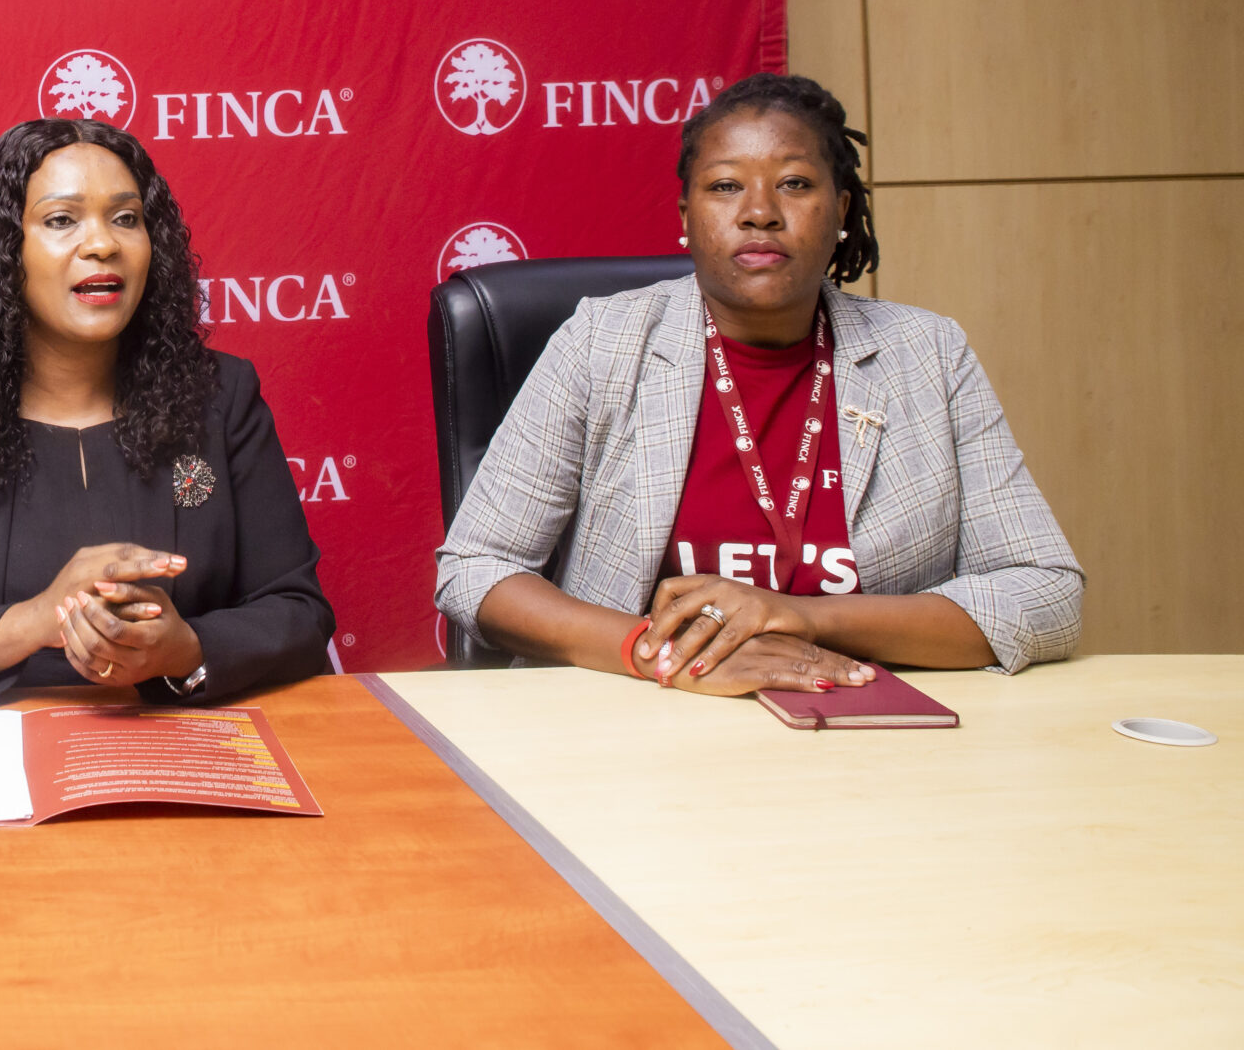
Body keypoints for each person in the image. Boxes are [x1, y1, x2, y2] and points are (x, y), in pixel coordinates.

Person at [437, 73, 1082, 694]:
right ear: (687, 215)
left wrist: (799, 616)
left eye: (794, 184)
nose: (759, 213)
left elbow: (1045, 591)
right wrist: (663, 656)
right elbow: (476, 570)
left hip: (868, 716)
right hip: (645, 721)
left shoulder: (928, 355)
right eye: (725, 187)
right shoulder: (601, 344)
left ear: (841, 210)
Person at [0, 118, 335, 703]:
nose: (102, 244)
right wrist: (37, 620)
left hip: (174, 731)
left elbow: (299, 612)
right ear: (2, 251)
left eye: (126, 218)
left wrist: (186, 649)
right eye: (62, 220)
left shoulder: (221, 396)